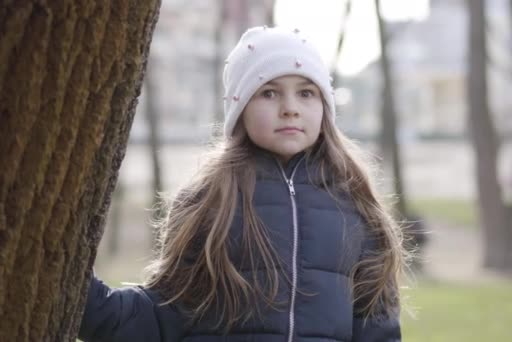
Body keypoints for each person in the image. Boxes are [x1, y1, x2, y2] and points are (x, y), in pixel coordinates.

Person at [79, 25, 408, 342]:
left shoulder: (355, 207)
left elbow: (378, 331)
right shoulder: (210, 202)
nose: (290, 108)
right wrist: (79, 293)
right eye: (269, 92)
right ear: (240, 109)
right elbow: (160, 317)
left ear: (324, 106)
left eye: (306, 93)